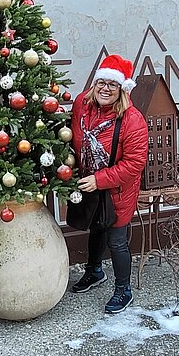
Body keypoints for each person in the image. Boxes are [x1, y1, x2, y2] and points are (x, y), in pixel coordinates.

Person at [70, 55, 148, 314]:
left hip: (118, 189)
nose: (105, 88)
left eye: (112, 85)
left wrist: (99, 179)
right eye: (101, 82)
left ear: (122, 90)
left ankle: (123, 290)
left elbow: (134, 164)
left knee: (116, 239)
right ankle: (94, 271)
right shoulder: (82, 104)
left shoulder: (132, 120)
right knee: (96, 227)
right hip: (88, 181)